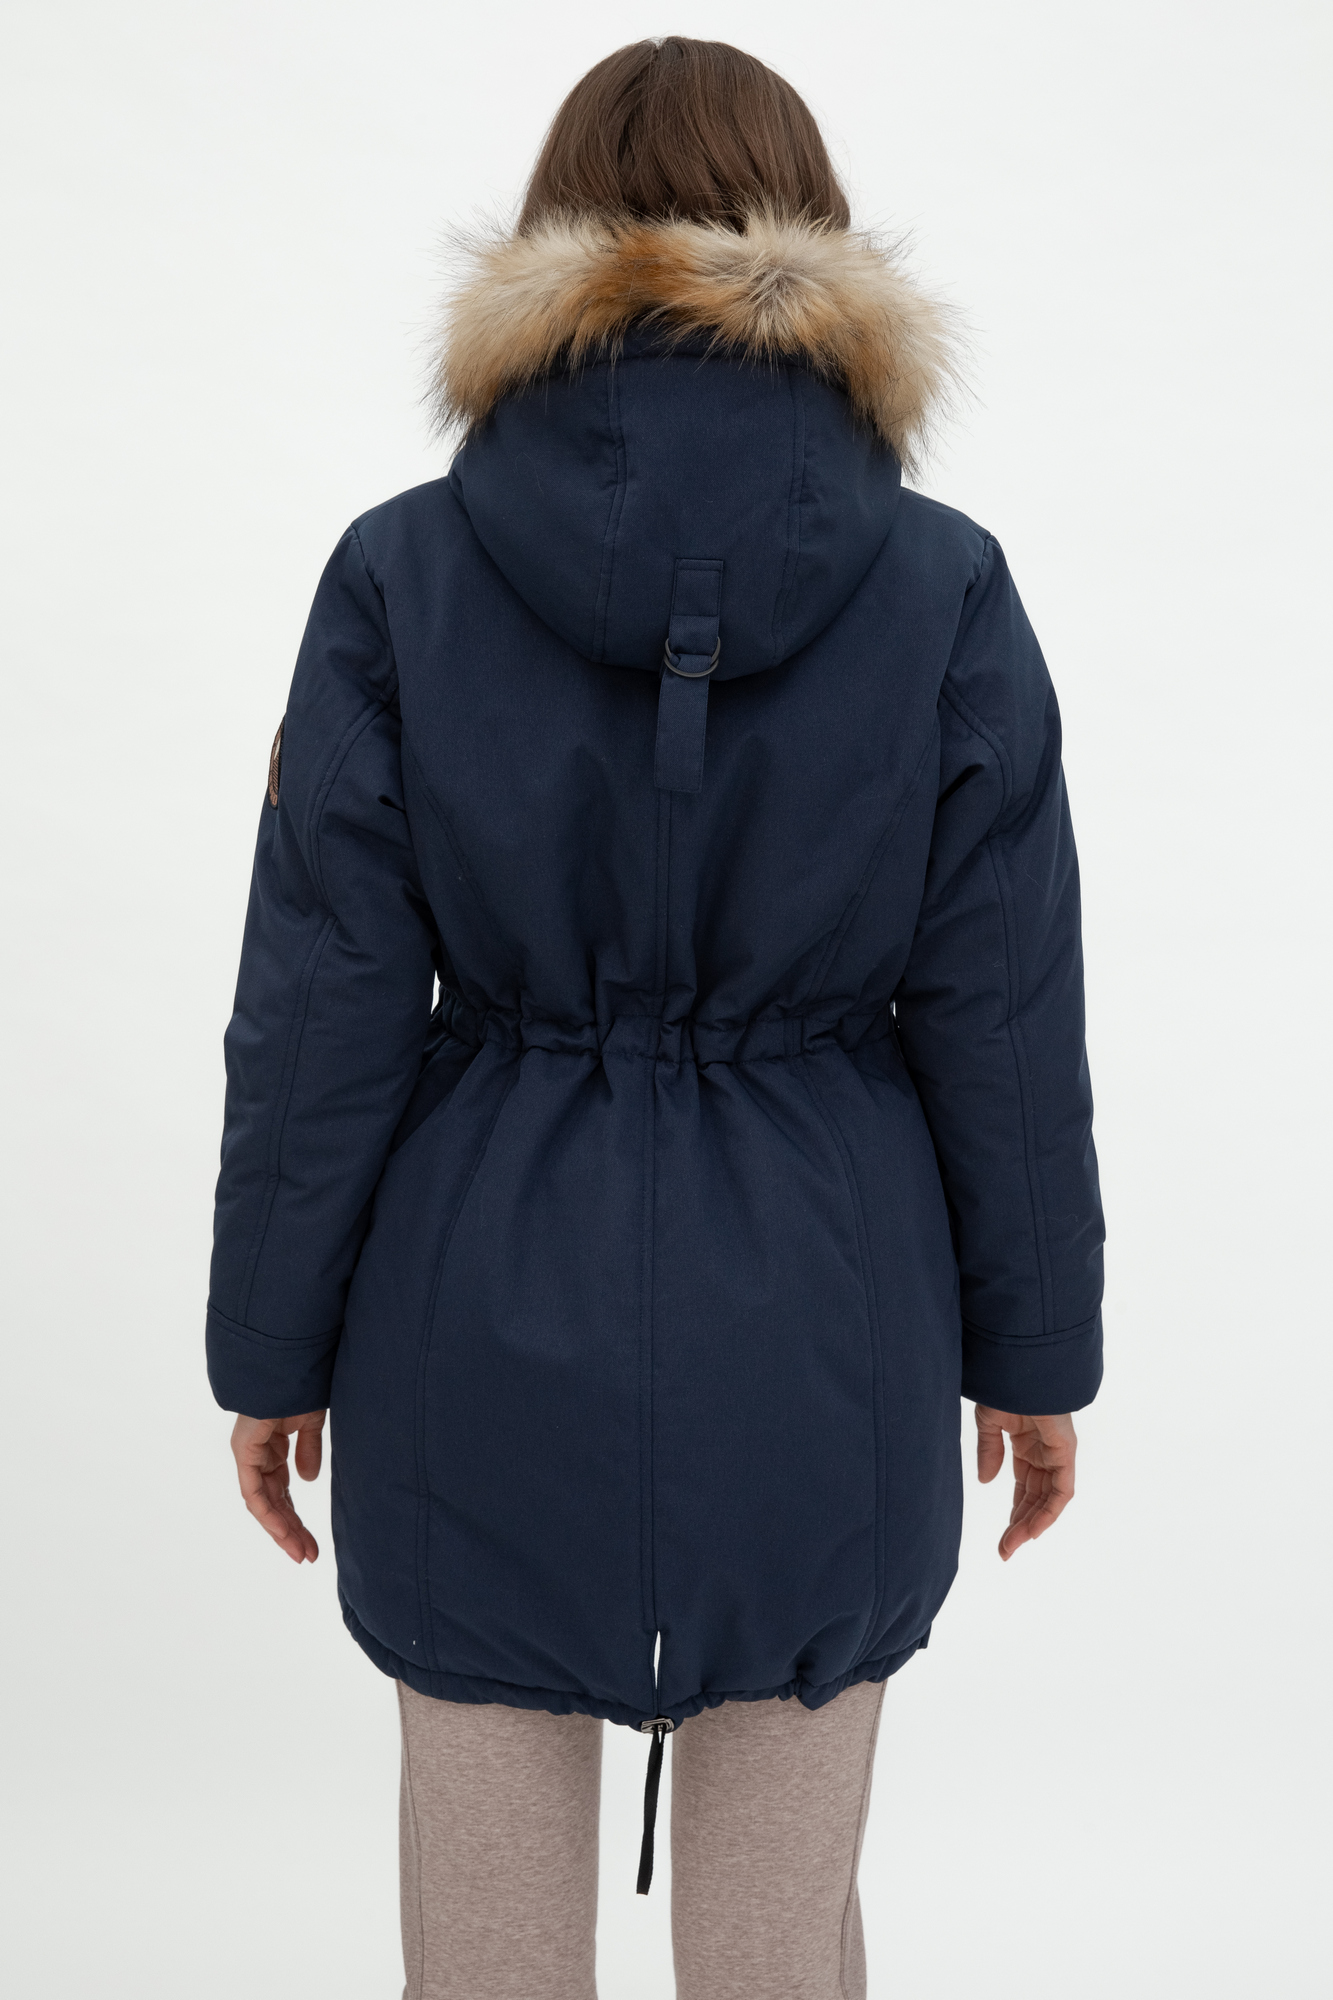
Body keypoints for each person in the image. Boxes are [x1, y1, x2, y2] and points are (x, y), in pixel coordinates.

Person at [207, 35, 1103, 2000]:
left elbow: (321, 1002)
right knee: (780, 1957)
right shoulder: (941, 588)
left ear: (555, 239)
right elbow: (1004, 1009)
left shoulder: (400, 572)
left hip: (469, 1325)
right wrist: (1035, 1352)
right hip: (828, 1328)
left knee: (484, 1961)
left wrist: (268, 1349)